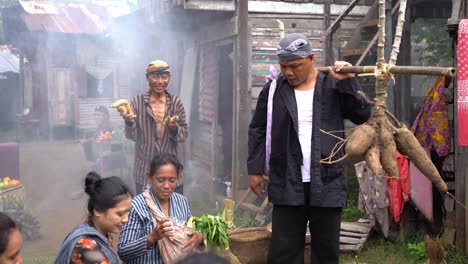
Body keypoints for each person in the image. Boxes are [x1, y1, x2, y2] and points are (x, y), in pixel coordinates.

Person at [247, 33, 372, 264]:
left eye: (295, 66)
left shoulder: (333, 84)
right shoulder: (274, 90)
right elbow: (258, 128)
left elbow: (362, 115)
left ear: (311, 58)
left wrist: (349, 81)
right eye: (284, 66)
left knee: (326, 252)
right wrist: (254, 169)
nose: (289, 72)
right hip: (287, 179)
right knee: (284, 252)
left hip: (327, 179)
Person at [118, 153, 203, 263]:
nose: (167, 186)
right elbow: (123, 251)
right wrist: (152, 237)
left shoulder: (181, 201)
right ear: (149, 177)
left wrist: (199, 238)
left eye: (172, 180)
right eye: (161, 180)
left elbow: (191, 230)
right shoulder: (136, 206)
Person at [120, 60, 188, 194]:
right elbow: (131, 135)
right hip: (145, 168)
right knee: (145, 211)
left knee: (173, 211)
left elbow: (184, 134)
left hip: (171, 170)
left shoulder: (175, 103)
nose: (160, 81)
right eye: (155, 76)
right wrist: (128, 123)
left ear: (169, 78)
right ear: (147, 77)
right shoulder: (137, 102)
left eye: (164, 77)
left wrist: (174, 129)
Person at [55, 172, 132, 263]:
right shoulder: (89, 251)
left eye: (128, 211)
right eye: (120, 214)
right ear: (98, 210)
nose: (126, 219)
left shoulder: (98, 228)